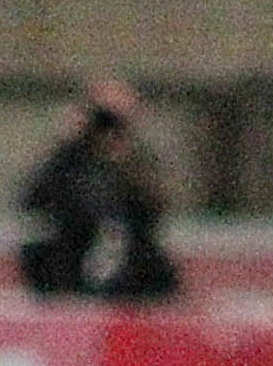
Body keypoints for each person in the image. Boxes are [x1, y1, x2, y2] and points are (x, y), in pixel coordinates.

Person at [17, 83, 179, 301]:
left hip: (132, 285)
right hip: (69, 281)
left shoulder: (137, 168)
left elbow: (152, 213)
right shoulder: (65, 169)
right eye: (103, 121)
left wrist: (127, 164)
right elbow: (35, 205)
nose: (110, 132)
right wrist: (68, 145)